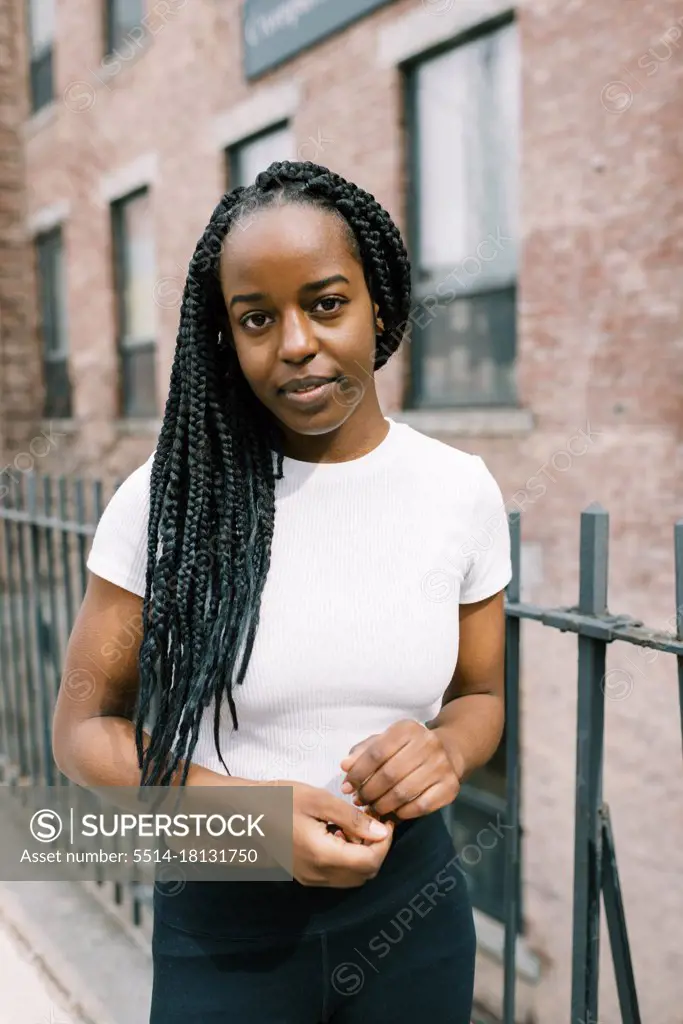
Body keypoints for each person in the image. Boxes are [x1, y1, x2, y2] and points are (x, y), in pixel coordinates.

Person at [52, 160, 512, 1023]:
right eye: (257, 318)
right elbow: (83, 730)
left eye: (326, 303)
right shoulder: (164, 500)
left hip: (411, 912)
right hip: (224, 920)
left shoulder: (459, 491)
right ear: (226, 337)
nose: (295, 342)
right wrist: (250, 819)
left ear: (379, 301)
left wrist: (442, 752)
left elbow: (480, 696)